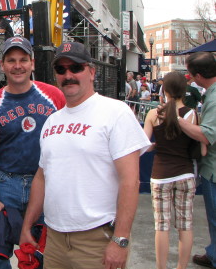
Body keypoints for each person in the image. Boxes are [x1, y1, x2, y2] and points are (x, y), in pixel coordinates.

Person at [20, 42, 151, 269]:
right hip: (55, 241)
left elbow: (130, 181)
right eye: (61, 70)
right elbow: (42, 177)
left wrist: (120, 239)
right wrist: (27, 225)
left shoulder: (115, 112)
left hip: (96, 240)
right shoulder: (52, 120)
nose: (68, 75)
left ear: (91, 72)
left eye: (75, 68)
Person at [0, 36, 65, 269]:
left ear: (32, 63)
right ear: (3, 65)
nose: (18, 65)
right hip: (7, 183)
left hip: (45, 182)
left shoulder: (54, 96)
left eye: (23, 60)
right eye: (12, 60)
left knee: (40, 253)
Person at [144, 72, 201, 269]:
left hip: (160, 175)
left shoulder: (153, 113)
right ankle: (181, 267)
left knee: (162, 226)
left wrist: (153, 146)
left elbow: (142, 144)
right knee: (185, 224)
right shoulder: (191, 113)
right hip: (185, 173)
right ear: (184, 90)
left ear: (164, 90)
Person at [176, 52, 216, 269]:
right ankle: (212, 252)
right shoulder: (210, 94)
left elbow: (206, 135)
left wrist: (178, 120)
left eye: (190, 74)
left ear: (198, 75)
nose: (189, 78)